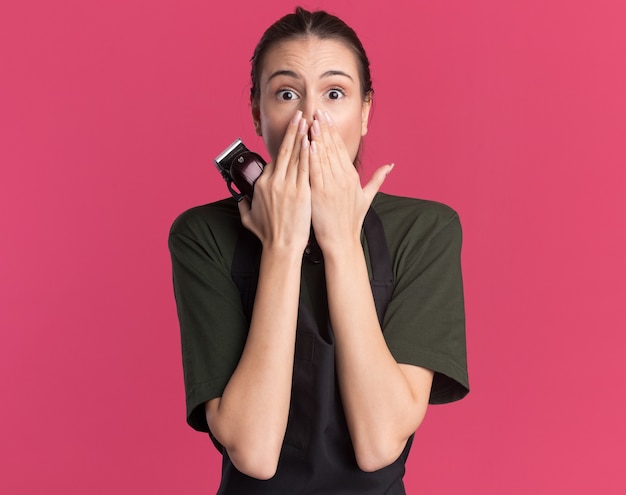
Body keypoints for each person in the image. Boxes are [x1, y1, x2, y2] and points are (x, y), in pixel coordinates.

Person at [169, 7, 469, 494]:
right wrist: (283, 246)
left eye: (335, 93)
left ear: (366, 110)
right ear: (256, 112)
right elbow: (254, 451)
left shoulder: (425, 229)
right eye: (287, 94)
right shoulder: (201, 234)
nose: (310, 119)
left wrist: (338, 239)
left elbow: (379, 443)